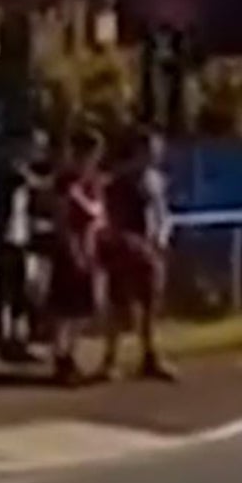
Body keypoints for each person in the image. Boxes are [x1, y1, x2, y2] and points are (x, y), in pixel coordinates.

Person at [99, 128, 176, 381]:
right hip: (127, 248)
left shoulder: (156, 180)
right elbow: (111, 215)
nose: (156, 154)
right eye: (152, 149)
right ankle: (110, 359)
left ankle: (150, 356)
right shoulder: (120, 180)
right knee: (120, 305)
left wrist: (162, 236)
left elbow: (162, 212)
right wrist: (120, 240)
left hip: (151, 248)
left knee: (150, 305)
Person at [46, 131, 107, 384]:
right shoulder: (66, 181)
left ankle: (70, 354)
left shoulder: (91, 182)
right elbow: (61, 218)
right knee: (64, 309)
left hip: (89, 245)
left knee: (85, 307)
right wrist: (71, 248)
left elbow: (99, 214)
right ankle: (61, 359)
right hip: (69, 248)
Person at [0, 132, 38, 362]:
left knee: (18, 292)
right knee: (8, 290)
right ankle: (6, 339)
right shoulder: (6, 182)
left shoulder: (15, 183)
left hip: (18, 240)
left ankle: (15, 338)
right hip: (8, 241)